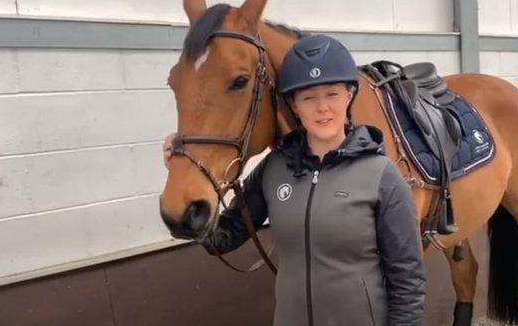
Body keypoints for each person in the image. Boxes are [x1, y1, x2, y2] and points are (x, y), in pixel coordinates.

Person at [163, 34, 425, 326]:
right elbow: (223, 238)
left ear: (349, 96)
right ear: (294, 106)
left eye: (332, 94)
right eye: (309, 97)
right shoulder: (273, 170)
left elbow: (407, 279)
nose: (322, 107)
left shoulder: (382, 175)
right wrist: (185, 176)